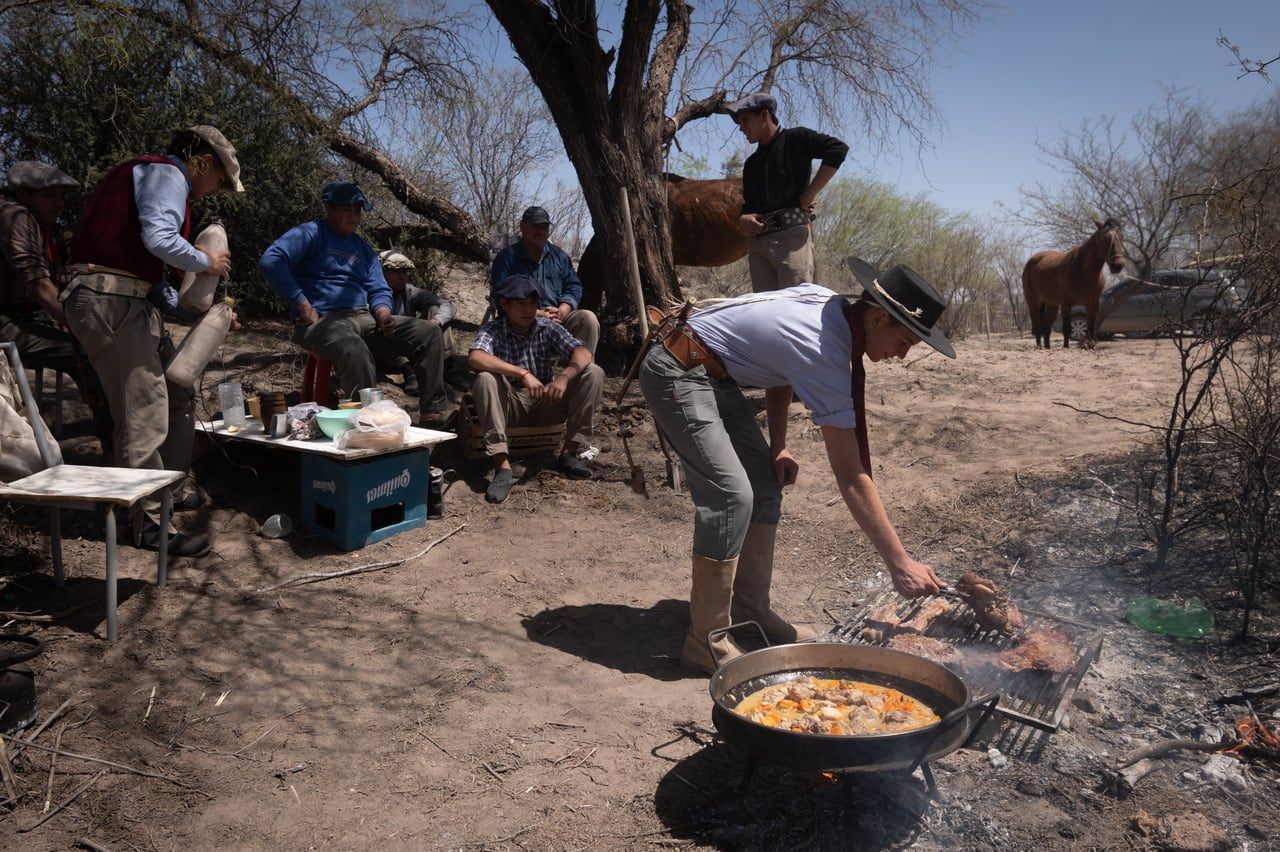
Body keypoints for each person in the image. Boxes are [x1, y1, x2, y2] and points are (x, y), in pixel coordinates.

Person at [638, 260, 953, 674]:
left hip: (713, 371)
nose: (900, 355)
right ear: (877, 317)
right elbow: (851, 476)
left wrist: (779, 446)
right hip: (678, 367)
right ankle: (705, 641)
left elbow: (782, 368)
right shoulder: (826, 348)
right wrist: (899, 562)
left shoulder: (833, 308)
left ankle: (750, 615)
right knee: (731, 495)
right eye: (904, 341)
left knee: (765, 486)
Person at [63, 125, 244, 556]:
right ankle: (145, 522)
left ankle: (169, 487)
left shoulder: (155, 178)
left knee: (176, 394)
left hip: (126, 299)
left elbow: (152, 279)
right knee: (143, 408)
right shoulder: (167, 174)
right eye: (217, 178)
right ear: (201, 160)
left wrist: (207, 314)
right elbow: (160, 239)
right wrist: (206, 260)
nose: (212, 190)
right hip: (109, 301)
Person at [259, 183, 451, 426]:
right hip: (321, 320)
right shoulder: (310, 234)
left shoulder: (362, 247)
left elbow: (379, 287)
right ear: (329, 208)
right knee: (353, 348)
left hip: (363, 316)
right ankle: (369, 421)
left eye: (358, 212)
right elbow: (271, 261)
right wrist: (301, 303)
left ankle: (432, 411)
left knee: (430, 332)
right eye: (347, 210)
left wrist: (382, 312)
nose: (354, 217)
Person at [468, 274, 604, 504]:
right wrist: (522, 373)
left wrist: (563, 377)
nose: (528, 310)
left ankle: (570, 453)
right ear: (505, 305)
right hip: (509, 405)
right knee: (485, 378)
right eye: (521, 304)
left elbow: (583, 352)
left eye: (532, 304)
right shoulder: (494, 330)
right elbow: (475, 356)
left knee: (593, 372)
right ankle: (502, 466)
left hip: (544, 402)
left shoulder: (546, 327)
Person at [727, 92, 848, 293]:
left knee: (795, 309)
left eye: (746, 120)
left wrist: (810, 193)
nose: (741, 128)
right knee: (765, 312)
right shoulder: (751, 164)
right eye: (740, 122)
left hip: (792, 239)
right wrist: (744, 218)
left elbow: (837, 149)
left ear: (764, 115)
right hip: (759, 246)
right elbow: (749, 206)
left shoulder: (796, 139)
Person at [489, 206, 599, 356]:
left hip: (558, 318)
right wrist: (537, 313)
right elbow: (500, 295)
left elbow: (574, 285)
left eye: (544, 227)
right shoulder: (506, 258)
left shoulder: (559, 256)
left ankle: (582, 374)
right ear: (522, 227)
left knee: (588, 319)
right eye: (535, 226)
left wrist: (564, 309)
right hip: (522, 319)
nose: (540, 231)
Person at [376, 249, 456, 395]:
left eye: (404, 272)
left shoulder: (409, 291)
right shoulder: (370, 294)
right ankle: (409, 372)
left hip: (410, 345)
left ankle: (444, 369)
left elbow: (448, 305)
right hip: (385, 351)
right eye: (395, 272)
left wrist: (435, 322)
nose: (402, 277)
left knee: (434, 309)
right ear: (381, 273)